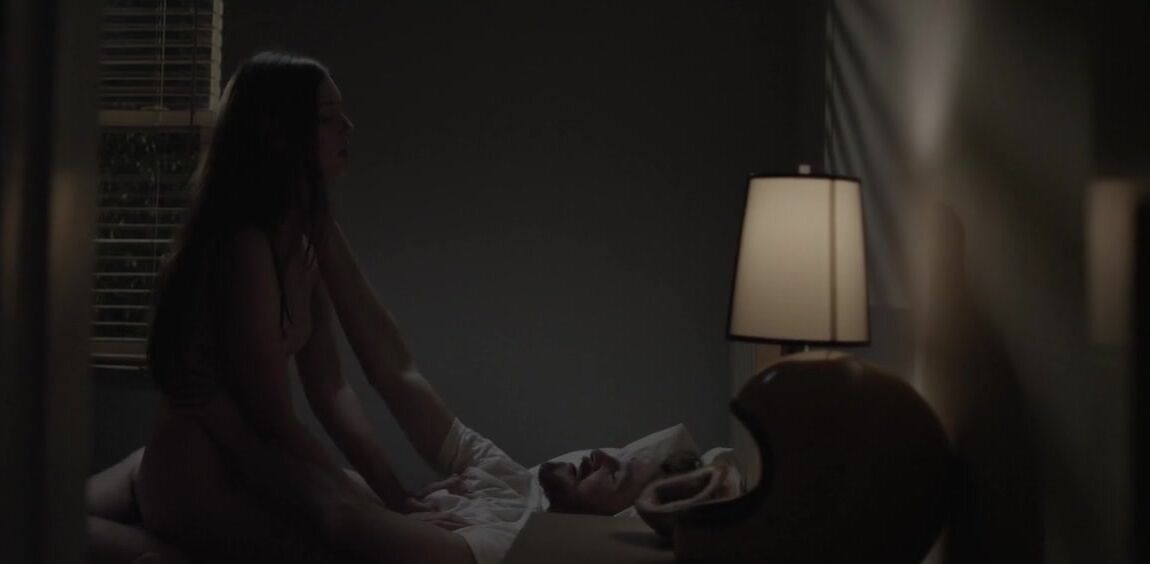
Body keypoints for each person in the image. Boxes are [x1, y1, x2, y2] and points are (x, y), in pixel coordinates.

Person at [132, 50, 470, 563]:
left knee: (373, 518)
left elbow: (331, 390)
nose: (348, 127)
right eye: (329, 118)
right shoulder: (245, 246)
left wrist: (395, 495)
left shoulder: (302, 243)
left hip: (255, 464)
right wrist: (378, 509)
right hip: (200, 474)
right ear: (281, 135)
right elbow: (271, 418)